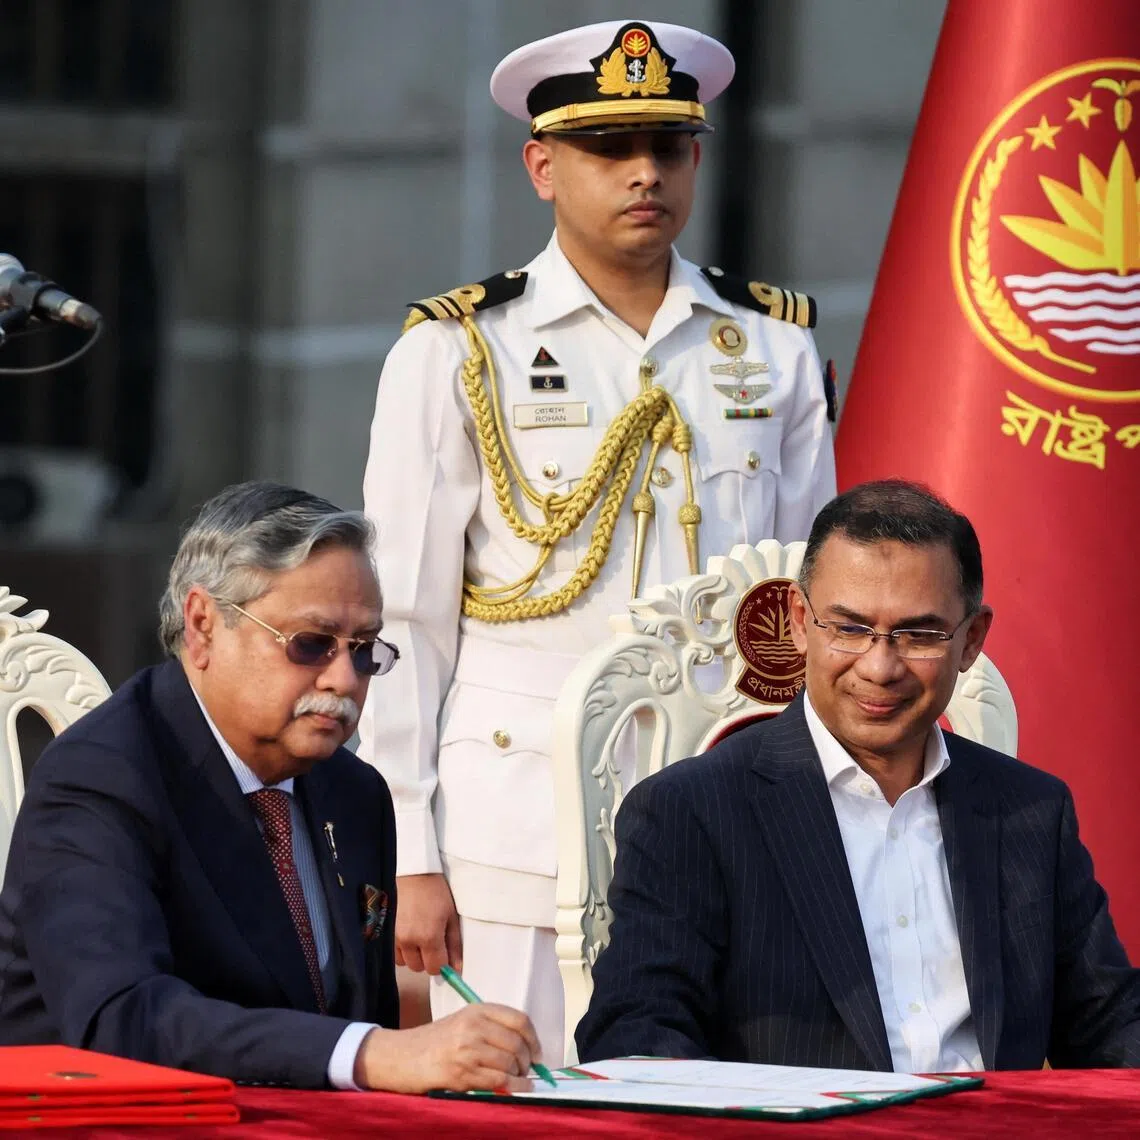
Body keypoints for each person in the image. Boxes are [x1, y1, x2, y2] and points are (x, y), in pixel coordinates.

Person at [357, 18, 837, 1063]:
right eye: (608, 150)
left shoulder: (773, 345)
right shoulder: (460, 350)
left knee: (717, 1095)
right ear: (542, 166)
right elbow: (400, 620)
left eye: (666, 149)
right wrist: (409, 847)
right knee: (514, 1092)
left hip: (729, 795)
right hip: (516, 814)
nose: (643, 174)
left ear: (696, 160)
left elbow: (810, 606)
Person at [577, 479, 1140, 1070]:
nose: (880, 665)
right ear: (798, 621)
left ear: (970, 640)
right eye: (848, 628)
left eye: (918, 634)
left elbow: (1107, 1022)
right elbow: (636, 1035)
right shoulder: (691, 812)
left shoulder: (1029, 810)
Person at [0, 482, 541, 1092]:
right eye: (310, 644)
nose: (343, 679)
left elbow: (362, 1020)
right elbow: (122, 1016)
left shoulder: (354, 791)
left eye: (364, 651)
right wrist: (373, 1056)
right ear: (203, 625)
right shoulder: (102, 777)